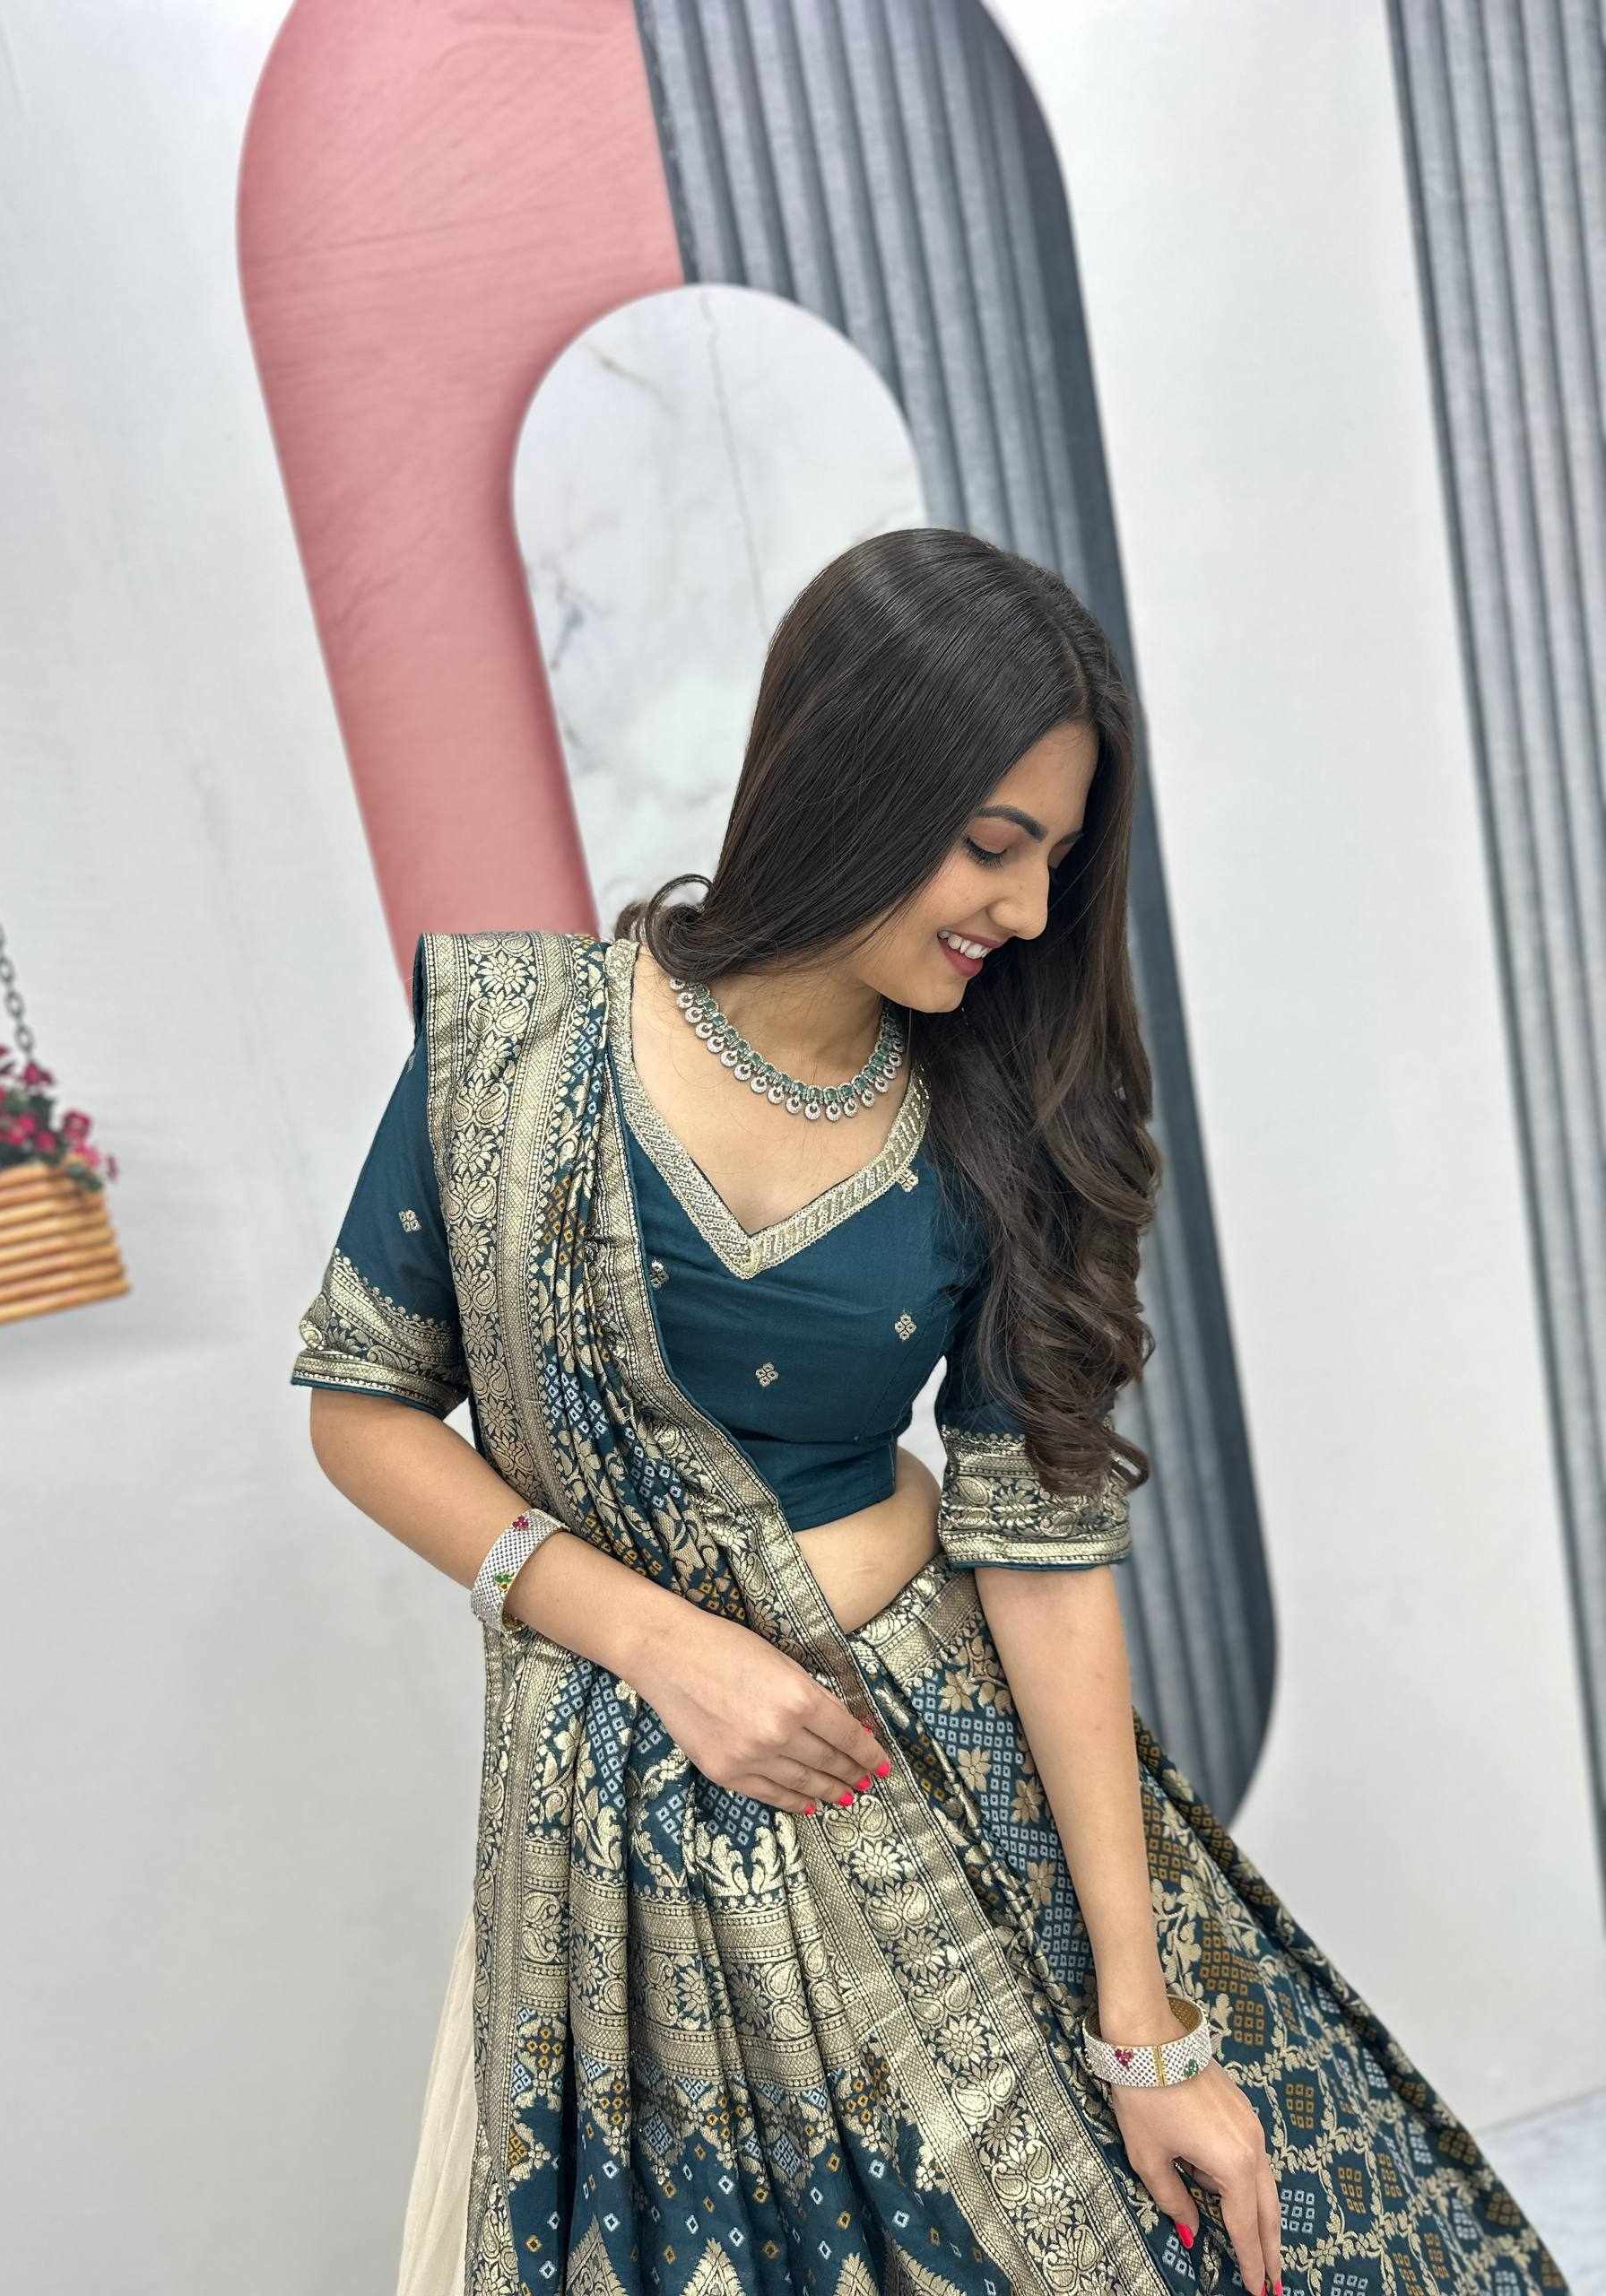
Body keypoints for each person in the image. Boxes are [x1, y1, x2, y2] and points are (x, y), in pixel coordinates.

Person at [291, 531, 1567, 2296]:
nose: (1029, 912)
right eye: (992, 843)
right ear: (849, 772)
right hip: (627, 1840)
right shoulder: (511, 1044)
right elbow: (364, 1409)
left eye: (1056, 860)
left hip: (939, 1768)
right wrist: (664, 1644)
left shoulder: (1005, 1113)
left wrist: (1143, 2020)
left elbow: (1042, 1550)